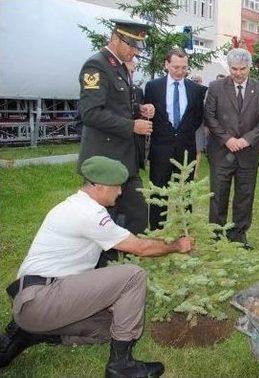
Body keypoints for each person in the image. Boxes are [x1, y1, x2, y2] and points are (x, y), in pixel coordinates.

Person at [0, 156, 192, 377]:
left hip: (42, 301)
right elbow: (141, 248)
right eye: (117, 186)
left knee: (113, 327)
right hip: (41, 298)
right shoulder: (89, 213)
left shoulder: (76, 204)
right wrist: (177, 245)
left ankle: (33, 333)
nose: (120, 192)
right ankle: (121, 367)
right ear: (99, 186)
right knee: (133, 275)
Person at [77, 19, 155, 237]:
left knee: (138, 214)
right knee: (104, 219)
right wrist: (132, 126)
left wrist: (140, 109)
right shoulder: (96, 66)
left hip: (124, 158)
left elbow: (118, 104)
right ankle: (104, 265)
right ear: (115, 39)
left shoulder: (118, 66)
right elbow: (91, 113)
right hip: (105, 159)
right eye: (131, 45)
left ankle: (130, 259)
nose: (135, 52)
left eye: (138, 47)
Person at [204, 48, 259, 249]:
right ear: (228, 66)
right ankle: (216, 235)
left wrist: (247, 139)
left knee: (245, 195)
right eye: (234, 69)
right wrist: (227, 139)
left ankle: (239, 235)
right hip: (221, 152)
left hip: (248, 153)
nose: (238, 73)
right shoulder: (216, 87)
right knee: (218, 194)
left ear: (249, 67)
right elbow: (209, 116)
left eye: (242, 69)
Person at [144, 48, 206, 230]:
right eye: (176, 67)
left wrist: (182, 133)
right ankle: (157, 231)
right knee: (158, 193)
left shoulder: (195, 90)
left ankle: (184, 230)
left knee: (186, 193)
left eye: (184, 68)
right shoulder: (153, 87)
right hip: (160, 148)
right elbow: (149, 114)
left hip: (186, 149)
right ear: (166, 64)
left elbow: (196, 118)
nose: (180, 72)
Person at [189, 74, 210, 180]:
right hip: (187, 125)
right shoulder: (187, 90)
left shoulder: (205, 91)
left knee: (197, 149)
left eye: (197, 80)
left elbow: (207, 109)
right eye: (194, 80)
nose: (195, 82)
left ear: (201, 81)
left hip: (199, 124)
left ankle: (195, 172)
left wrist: (206, 126)